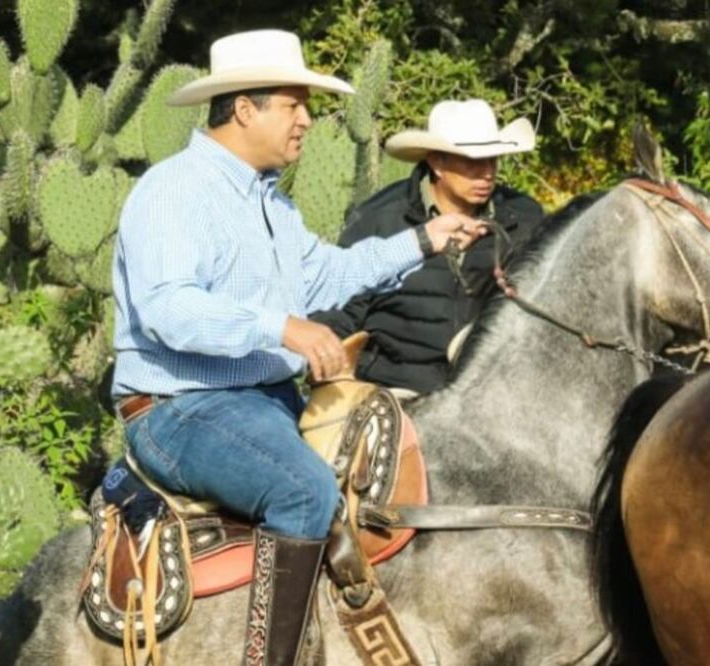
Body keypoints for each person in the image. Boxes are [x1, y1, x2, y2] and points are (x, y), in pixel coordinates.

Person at [110, 29, 485, 666]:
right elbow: (169, 311)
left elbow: (327, 276)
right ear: (244, 109)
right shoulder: (172, 191)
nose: (307, 120)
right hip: (181, 409)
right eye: (294, 104)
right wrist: (283, 328)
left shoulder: (271, 204)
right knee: (305, 494)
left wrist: (424, 240)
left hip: (264, 403)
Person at [313, 99, 546, 398]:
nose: (487, 173)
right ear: (437, 163)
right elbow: (341, 307)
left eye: (493, 160)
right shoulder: (381, 219)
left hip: (490, 393)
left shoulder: (523, 218)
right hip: (392, 390)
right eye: (473, 161)